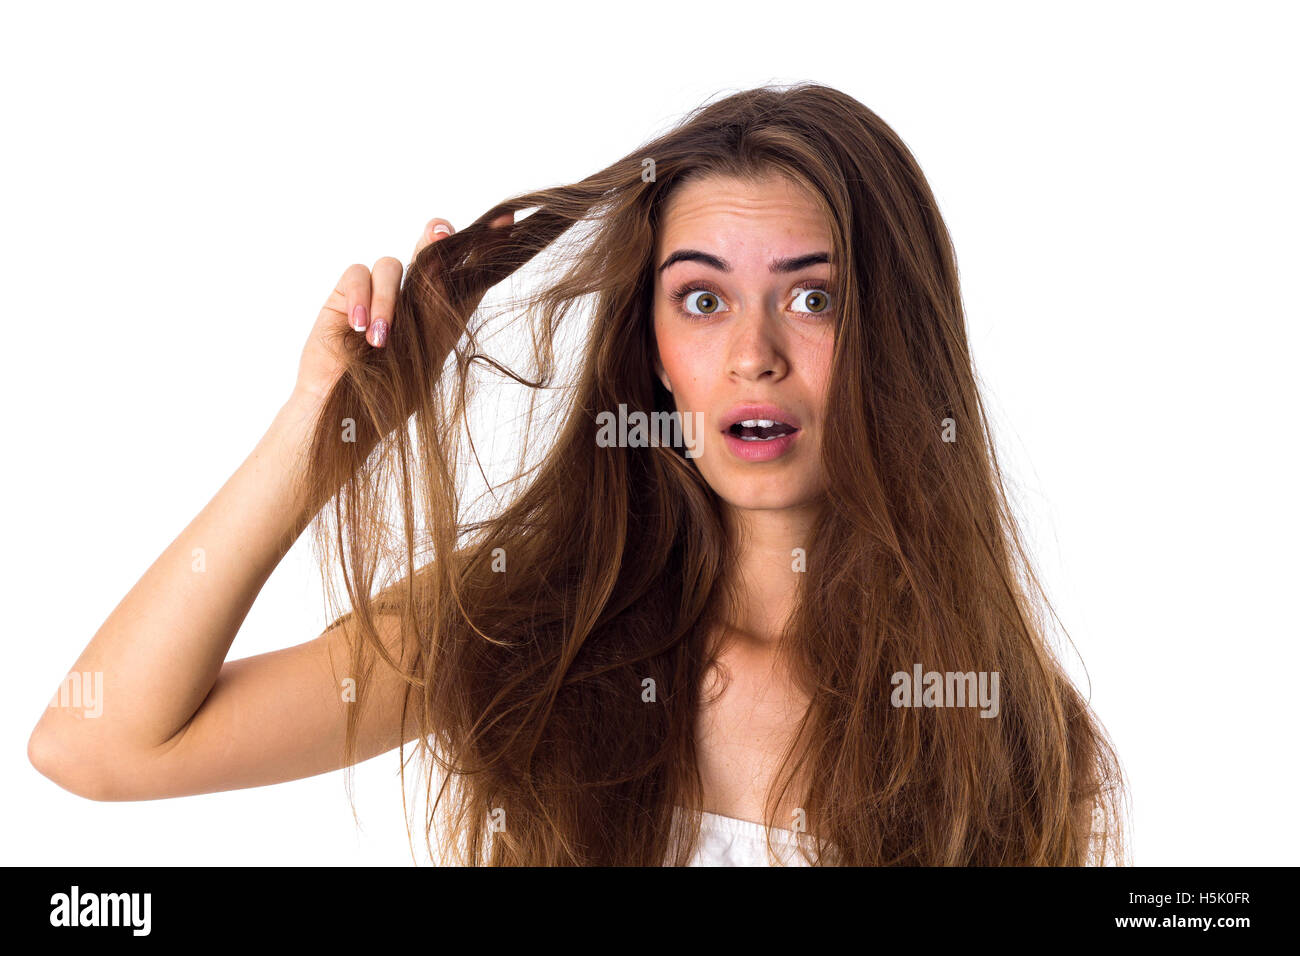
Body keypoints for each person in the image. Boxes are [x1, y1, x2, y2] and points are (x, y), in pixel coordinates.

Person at [28, 82, 1126, 866]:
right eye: (701, 297)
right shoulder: (525, 633)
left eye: (812, 296)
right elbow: (101, 740)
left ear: (895, 337)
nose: (754, 352)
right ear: (649, 346)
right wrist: (323, 433)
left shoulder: (1012, 740)